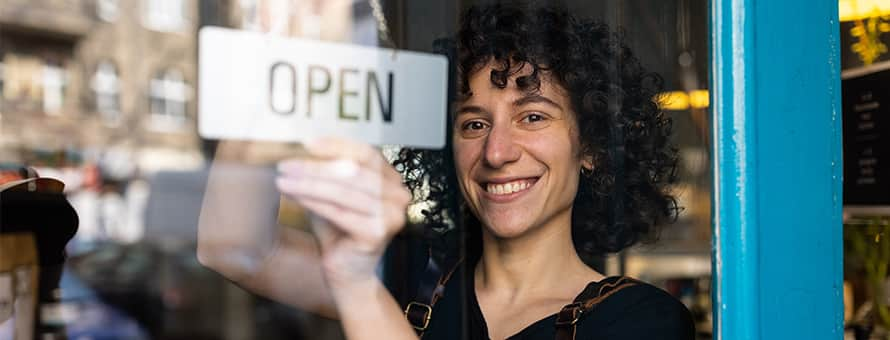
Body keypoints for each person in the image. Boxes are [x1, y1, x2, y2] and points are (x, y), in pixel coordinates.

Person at [198, 3, 694, 339]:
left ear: (592, 147)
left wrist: (355, 283)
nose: (497, 152)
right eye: (474, 123)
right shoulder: (415, 278)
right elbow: (234, 246)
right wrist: (284, 52)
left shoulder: (642, 321)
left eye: (533, 116)